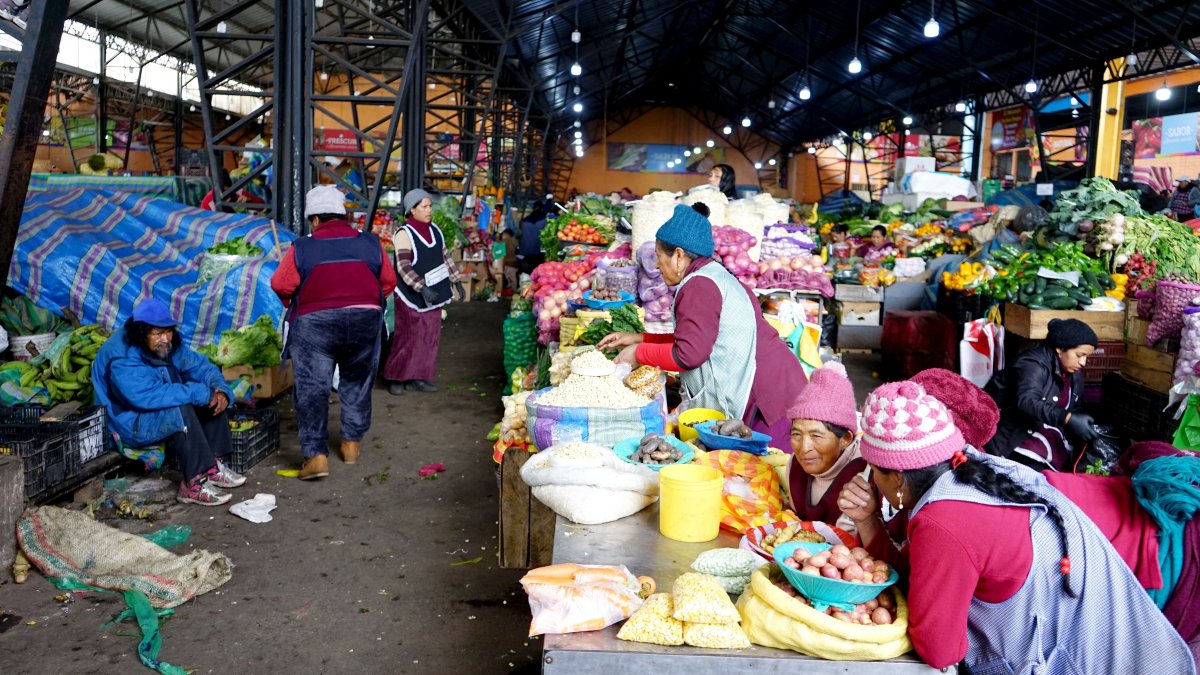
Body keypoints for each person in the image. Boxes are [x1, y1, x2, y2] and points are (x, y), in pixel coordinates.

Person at [847, 380, 1194, 673]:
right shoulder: (977, 471)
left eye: (875, 471)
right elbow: (923, 572)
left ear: (897, 477)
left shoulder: (943, 521)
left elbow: (940, 650)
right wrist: (868, 522)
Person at [597, 204, 807, 449]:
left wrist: (638, 353)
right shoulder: (712, 275)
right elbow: (694, 338)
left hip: (767, 397)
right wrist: (640, 339)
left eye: (658, 255)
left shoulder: (699, 285)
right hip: (777, 383)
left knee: (769, 473)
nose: (655, 265)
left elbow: (689, 354)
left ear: (677, 255)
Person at [271, 185, 396, 480]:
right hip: (366, 319)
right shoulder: (371, 243)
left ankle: (315, 457)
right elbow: (388, 282)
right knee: (357, 380)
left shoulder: (302, 246)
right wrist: (364, 304)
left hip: (316, 323)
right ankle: (351, 446)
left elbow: (280, 284)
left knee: (313, 388)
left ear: (314, 219)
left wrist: (302, 302)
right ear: (343, 215)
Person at [92, 299, 245, 506]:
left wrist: (221, 391)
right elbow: (146, 396)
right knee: (182, 407)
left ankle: (213, 467)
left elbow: (200, 366)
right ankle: (192, 485)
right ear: (141, 332)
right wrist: (201, 392)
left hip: (154, 409)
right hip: (130, 422)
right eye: (157, 334)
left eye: (168, 331)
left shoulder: (166, 344)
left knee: (211, 398)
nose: (165, 339)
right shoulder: (121, 356)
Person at [985, 318, 1098, 471]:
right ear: (1059, 348)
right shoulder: (1032, 364)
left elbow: (1074, 408)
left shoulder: (1073, 374)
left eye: (1087, 357)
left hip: (1041, 428)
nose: (1083, 362)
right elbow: (1027, 401)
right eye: (1079, 355)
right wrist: (1066, 418)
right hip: (1011, 436)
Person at [384, 188, 462, 396]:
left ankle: (418, 377)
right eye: (424, 207)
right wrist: (420, 287)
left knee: (429, 336)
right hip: (410, 296)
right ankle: (396, 377)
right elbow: (403, 266)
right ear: (412, 210)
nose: (429, 210)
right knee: (408, 336)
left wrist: (456, 280)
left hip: (433, 295)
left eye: (430, 206)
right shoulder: (404, 234)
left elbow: (445, 256)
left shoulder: (435, 230)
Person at [784, 361, 868, 535]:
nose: (804, 448)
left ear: (845, 439)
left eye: (816, 436)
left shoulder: (863, 474)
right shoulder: (794, 467)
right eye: (797, 434)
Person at [517, 202, 549, 276]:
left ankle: (527, 283)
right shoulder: (544, 221)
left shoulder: (525, 220)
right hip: (537, 249)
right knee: (537, 270)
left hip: (526, 249)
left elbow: (519, 234)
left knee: (529, 269)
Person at [500, 228, 519, 294]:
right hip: (513, 262)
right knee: (513, 278)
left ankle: (510, 291)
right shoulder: (514, 241)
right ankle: (514, 290)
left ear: (505, 234)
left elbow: (503, 255)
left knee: (508, 278)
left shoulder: (504, 242)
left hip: (507, 262)